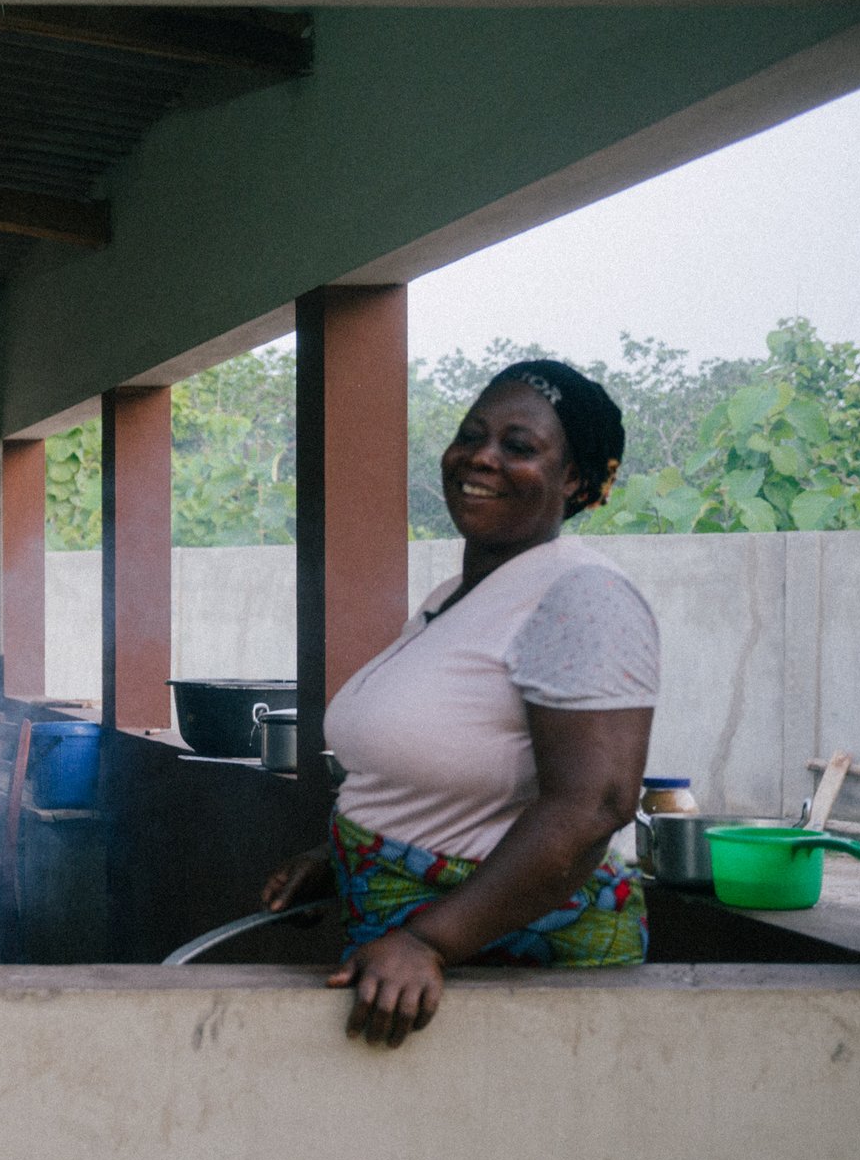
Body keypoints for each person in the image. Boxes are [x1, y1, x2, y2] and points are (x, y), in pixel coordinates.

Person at [262, 360, 657, 1048]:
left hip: (510, 966)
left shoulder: (580, 594)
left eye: (519, 445)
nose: (482, 456)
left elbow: (595, 803)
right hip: (423, 948)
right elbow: (459, 766)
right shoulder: (455, 596)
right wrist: (342, 856)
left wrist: (430, 940)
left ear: (574, 480)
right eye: (472, 434)